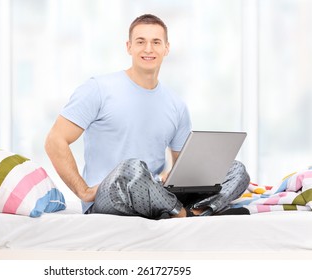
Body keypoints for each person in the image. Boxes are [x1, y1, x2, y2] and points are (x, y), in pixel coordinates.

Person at [45, 14, 250, 219]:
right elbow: (55, 141)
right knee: (132, 168)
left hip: (156, 193)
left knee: (237, 170)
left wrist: (169, 177)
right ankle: (184, 215)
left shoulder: (176, 105)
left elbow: (183, 171)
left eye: (156, 42)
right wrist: (83, 191)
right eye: (141, 42)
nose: (148, 49)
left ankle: (193, 212)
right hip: (111, 195)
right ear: (129, 47)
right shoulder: (98, 89)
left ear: (166, 48)